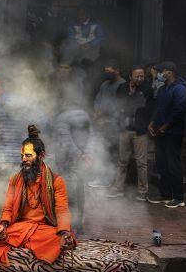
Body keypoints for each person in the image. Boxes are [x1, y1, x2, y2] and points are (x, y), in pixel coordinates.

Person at [0, 125, 75, 266]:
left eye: (28, 155)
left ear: (41, 156)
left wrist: (64, 233)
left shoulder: (56, 181)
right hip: (20, 228)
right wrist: (3, 225)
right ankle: (29, 244)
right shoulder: (15, 180)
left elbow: (62, 209)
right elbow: (8, 208)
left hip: (43, 230)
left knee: (56, 238)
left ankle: (24, 243)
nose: (24, 159)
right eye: (23, 156)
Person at [50, 62, 91, 233]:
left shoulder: (62, 117)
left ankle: (69, 225)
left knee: (67, 191)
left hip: (68, 160)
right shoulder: (84, 115)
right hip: (80, 158)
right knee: (80, 189)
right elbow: (90, 136)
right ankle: (79, 224)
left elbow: (66, 141)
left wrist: (78, 154)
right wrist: (86, 153)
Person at [106, 65, 152, 201]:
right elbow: (119, 105)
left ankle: (142, 191)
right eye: (137, 76)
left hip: (140, 131)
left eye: (142, 76)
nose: (139, 78)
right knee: (122, 161)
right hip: (125, 129)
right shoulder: (122, 88)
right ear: (130, 77)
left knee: (141, 162)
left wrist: (133, 94)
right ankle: (118, 188)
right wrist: (130, 94)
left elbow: (143, 105)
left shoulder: (147, 88)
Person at [147, 61, 186, 208]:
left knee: (173, 165)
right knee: (162, 164)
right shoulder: (163, 89)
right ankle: (165, 195)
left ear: (169, 72)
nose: (158, 74)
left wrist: (165, 127)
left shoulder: (180, 89)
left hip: (172, 133)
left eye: (161, 71)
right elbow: (158, 108)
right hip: (160, 132)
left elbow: (179, 111)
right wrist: (152, 122)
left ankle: (178, 198)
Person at [88, 60, 125, 188]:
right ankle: (102, 177)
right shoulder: (105, 84)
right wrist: (96, 112)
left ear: (117, 70)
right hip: (102, 123)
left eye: (109, 68)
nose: (107, 71)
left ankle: (110, 179)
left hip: (114, 124)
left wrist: (103, 113)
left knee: (112, 153)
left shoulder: (122, 85)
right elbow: (98, 100)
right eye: (106, 68)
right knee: (102, 150)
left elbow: (119, 105)